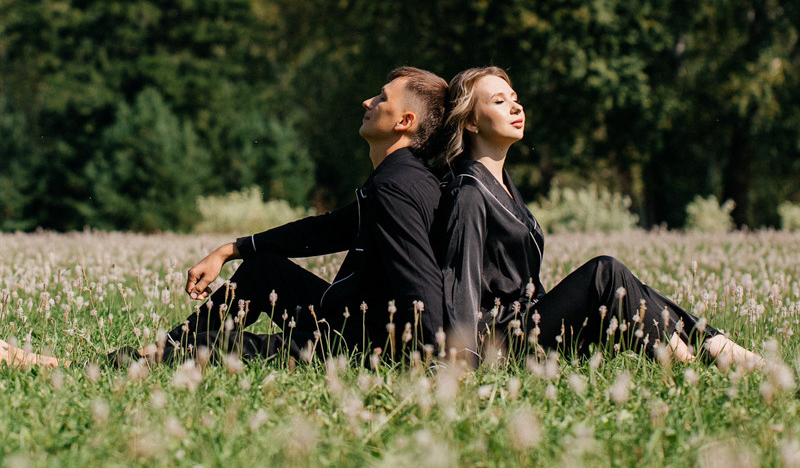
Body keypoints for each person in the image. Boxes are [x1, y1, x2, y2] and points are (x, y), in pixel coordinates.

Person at [436, 66, 764, 370]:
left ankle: (709, 346)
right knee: (605, 272)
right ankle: (693, 357)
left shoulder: (504, 185)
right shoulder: (469, 193)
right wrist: (463, 362)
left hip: (531, 326)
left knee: (629, 289)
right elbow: (460, 282)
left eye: (515, 99)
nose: (516, 107)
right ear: (471, 122)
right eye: (499, 101)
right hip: (504, 345)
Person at [143, 65, 449, 365]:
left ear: (404, 121)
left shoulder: (395, 189)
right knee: (262, 268)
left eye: (382, 98)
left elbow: (419, 280)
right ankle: (168, 346)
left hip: (359, 345)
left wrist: (436, 361)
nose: (368, 102)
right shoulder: (402, 179)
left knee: (211, 346)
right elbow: (323, 231)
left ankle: (152, 358)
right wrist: (231, 250)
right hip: (344, 318)